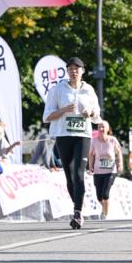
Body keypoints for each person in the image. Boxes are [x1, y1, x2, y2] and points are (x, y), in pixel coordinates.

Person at [43, 56, 101, 229]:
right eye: (71, 69)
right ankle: (77, 206)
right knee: (69, 175)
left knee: (78, 173)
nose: (74, 72)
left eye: (77, 69)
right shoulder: (57, 90)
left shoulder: (89, 90)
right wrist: (63, 110)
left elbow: (97, 115)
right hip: (63, 135)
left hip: (83, 135)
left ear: (82, 71)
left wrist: (89, 112)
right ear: (67, 71)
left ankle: (77, 212)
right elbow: (47, 116)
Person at [88, 120, 123, 219]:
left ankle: (105, 215)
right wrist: (90, 166)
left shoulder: (112, 140)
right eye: (100, 127)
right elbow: (91, 155)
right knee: (99, 196)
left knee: (105, 194)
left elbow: (119, 152)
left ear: (108, 129)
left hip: (110, 171)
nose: (101, 129)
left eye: (103, 127)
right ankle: (104, 208)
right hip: (98, 171)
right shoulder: (94, 141)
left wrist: (120, 164)